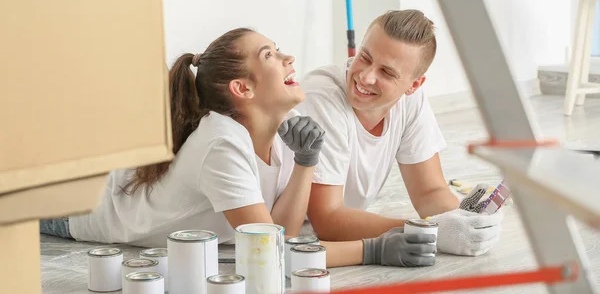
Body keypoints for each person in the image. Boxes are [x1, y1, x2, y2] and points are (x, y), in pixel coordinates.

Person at [40, 27, 437, 268]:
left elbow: (281, 229)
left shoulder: (280, 131)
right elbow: (268, 253)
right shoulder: (223, 144)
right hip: (75, 206)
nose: (288, 58)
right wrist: (369, 251)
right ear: (242, 89)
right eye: (271, 55)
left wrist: (305, 162)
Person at [298, 10, 504, 257]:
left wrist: (462, 221)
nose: (365, 76)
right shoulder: (322, 98)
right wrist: (428, 230)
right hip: (286, 242)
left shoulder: (411, 101)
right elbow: (326, 220)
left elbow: (429, 192)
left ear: (414, 85)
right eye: (364, 57)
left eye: (386, 72)